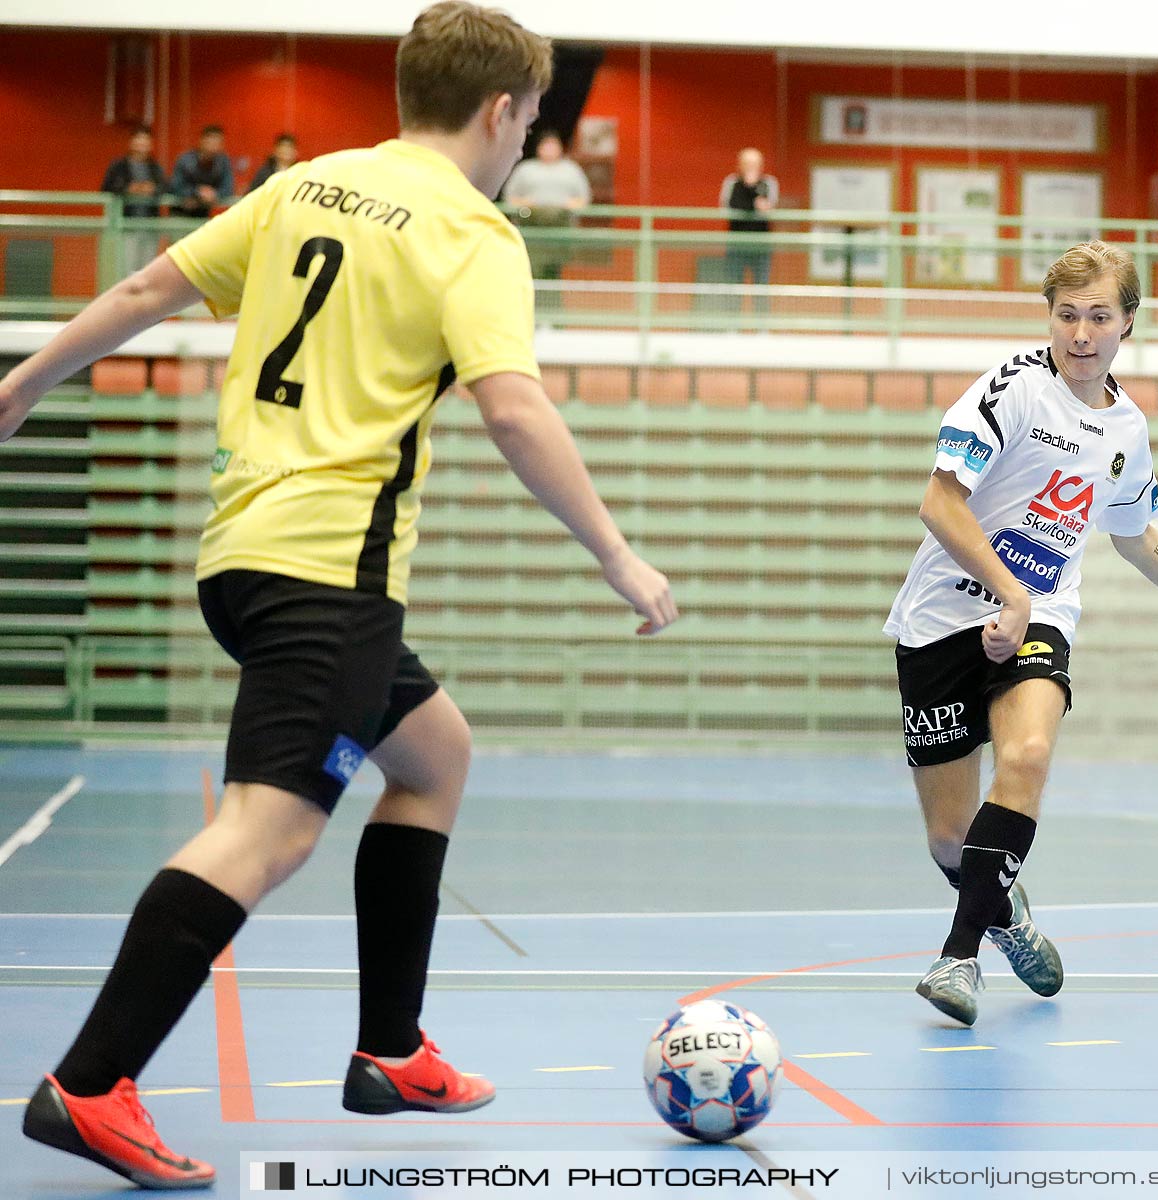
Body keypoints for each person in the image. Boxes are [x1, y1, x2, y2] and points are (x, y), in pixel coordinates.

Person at [2, 3, 676, 1189]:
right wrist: (618, 555)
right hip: (330, 571)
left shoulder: (307, 186)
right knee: (269, 830)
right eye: (530, 120)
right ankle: (92, 1082)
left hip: (243, 554)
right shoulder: (473, 231)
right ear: (500, 112)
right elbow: (514, 409)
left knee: (434, 757)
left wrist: (22, 384)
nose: (525, 141)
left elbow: (150, 288)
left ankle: (391, 1051)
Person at [887, 241, 1158, 1027]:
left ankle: (958, 958)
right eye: (1067, 314)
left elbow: (1136, 537)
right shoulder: (1013, 389)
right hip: (940, 619)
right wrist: (1005, 592)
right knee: (948, 843)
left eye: (1098, 316)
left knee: (1026, 755)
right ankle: (1006, 915)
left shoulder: (1127, 430)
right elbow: (939, 503)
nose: (1080, 333)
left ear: (1127, 322)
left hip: (1040, 618)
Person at [503, 130, 592, 279]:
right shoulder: (525, 169)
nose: (549, 150)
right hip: (530, 228)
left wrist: (570, 205)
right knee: (530, 272)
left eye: (553, 146)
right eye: (546, 146)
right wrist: (525, 204)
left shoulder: (571, 170)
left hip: (561, 230)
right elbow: (510, 197)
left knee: (553, 273)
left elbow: (584, 198)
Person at [100, 125, 168, 275]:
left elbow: (165, 187)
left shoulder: (155, 167)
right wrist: (128, 189)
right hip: (126, 224)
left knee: (147, 269)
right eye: (139, 140)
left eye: (146, 140)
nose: (142, 144)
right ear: (131, 142)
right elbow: (107, 187)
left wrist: (152, 189)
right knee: (125, 267)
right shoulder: (119, 165)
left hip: (150, 224)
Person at [719, 147, 778, 313]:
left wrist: (752, 192)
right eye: (747, 163)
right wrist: (753, 202)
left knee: (761, 287)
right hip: (736, 243)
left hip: (761, 245)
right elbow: (728, 208)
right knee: (733, 285)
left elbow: (768, 209)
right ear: (740, 164)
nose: (751, 167)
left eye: (754, 163)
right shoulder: (732, 183)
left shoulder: (769, 183)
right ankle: (732, 326)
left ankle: (761, 327)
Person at [168, 125, 236, 218]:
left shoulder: (223, 162)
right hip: (179, 213)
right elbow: (174, 186)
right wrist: (197, 192)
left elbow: (228, 187)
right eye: (210, 141)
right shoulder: (185, 160)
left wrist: (214, 194)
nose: (213, 146)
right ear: (202, 141)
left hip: (203, 216)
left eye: (217, 142)